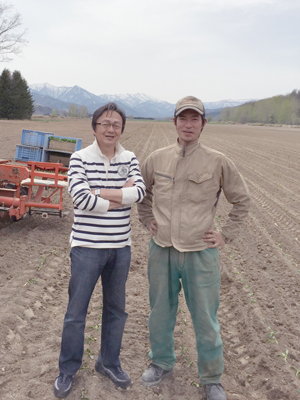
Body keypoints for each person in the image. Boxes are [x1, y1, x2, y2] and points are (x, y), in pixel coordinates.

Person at [137, 96, 251, 400]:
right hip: (162, 249)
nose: (188, 125)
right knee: (160, 312)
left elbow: (241, 200)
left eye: (194, 119)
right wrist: (147, 217)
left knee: (205, 317)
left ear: (203, 124)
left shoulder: (218, 161)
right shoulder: (157, 158)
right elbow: (142, 193)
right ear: (174, 122)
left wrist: (226, 234)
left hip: (200, 253)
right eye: (183, 118)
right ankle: (161, 362)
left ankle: (212, 377)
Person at [53, 102, 146, 398]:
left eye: (116, 125)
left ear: (122, 130)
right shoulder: (79, 157)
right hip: (87, 248)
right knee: (75, 312)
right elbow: (79, 197)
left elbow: (140, 192)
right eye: (105, 123)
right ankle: (67, 369)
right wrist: (120, 197)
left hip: (120, 249)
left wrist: (100, 193)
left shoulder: (129, 157)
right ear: (94, 127)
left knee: (116, 310)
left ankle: (108, 362)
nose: (110, 129)